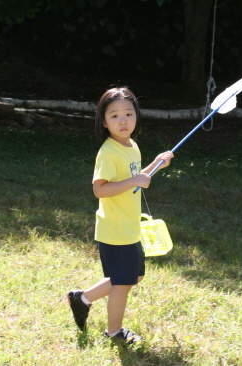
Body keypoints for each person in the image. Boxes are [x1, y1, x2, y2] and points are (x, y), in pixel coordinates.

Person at [67, 87, 174, 345]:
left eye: (128, 113)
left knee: (132, 276)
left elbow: (135, 181)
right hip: (115, 229)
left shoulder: (131, 146)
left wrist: (156, 164)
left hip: (128, 225)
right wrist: (136, 179)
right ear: (103, 121)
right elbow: (99, 189)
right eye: (114, 116)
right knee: (122, 284)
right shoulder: (109, 152)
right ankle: (113, 332)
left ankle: (82, 298)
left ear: (137, 115)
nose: (123, 120)